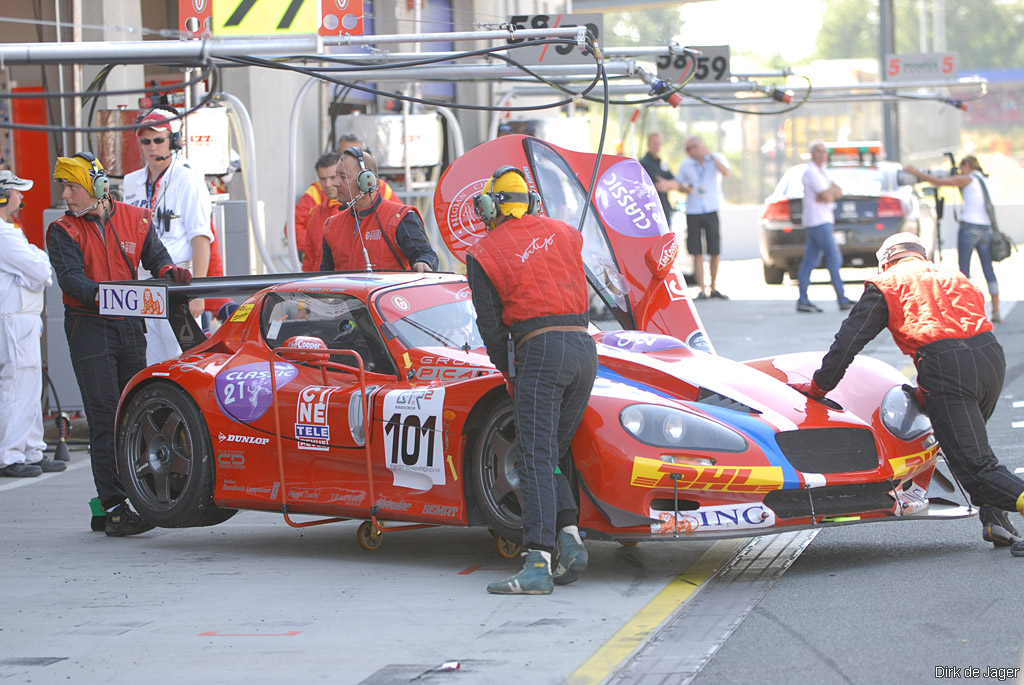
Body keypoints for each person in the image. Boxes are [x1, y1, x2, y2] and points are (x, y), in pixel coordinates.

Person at [792, 232, 1024, 557]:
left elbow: (848, 342)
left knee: (974, 466)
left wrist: (819, 387)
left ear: (885, 261)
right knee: (972, 449)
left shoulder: (886, 282)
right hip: (990, 359)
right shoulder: (952, 275)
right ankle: (994, 521)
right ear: (921, 254)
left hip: (945, 365)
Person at [466, 166, 598, 594]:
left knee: (532, 458)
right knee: (552, 452)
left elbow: (491, 329)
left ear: (490, 207)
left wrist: (509, 372)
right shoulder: (566, 234)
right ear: (531, 202)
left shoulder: (483, 253)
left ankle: (537, 562)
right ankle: (570, 538)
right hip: (584, 350)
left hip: (540, 351)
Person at [48, 153, 191, 536]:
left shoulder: (137, 218)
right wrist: (113, 297)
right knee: (104, 417)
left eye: (71, 186)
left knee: (135, 415)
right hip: (88, 327)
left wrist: (169, 272)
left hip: (129, 326)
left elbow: (157, 260)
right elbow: (72, 282)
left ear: (97, 188)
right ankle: (113, 507)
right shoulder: (62, 230)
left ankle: (125, 497)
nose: (65, 194)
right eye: (62, 186)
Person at [122, 108, 213, 363]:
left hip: (177, 283)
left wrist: (197, 291)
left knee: (181, 359)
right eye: (146, 141)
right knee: (149, 359)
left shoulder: (189, 180)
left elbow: (201, 239)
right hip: (142, 284)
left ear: (173, 141)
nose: (152, 147)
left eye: (159, 140)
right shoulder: (131, 182)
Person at [0, 171, 64, 478]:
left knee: (30, 385)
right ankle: (10, 455)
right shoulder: (3, 236)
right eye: (16, 192)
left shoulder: (9, 232)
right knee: (16, 385)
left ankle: (30, 450)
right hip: (13, 319)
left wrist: (37, 263)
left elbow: (40, 267)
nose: (21, 198)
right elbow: (40, 271)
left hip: (23, 318)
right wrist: (37, 263)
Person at [904, 156, 1002, 322]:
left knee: (964, 271)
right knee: (988, 270)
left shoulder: (967, 178)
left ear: (967, 165)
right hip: (987, 229)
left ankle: (967, 310)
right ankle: (996, 309)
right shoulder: (985, 180)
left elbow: (939, 181)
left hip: (969, 227)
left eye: (961, 167)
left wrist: (916, 172)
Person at [320, 148, 437, 272]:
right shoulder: (331, 225)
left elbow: (425, 254)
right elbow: (324, 277)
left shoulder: (400, 217)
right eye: (336, 175)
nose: (335, 183)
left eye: (343, 177)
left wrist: (423, 262)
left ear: (366, 181)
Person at [292, 134, 400, 255]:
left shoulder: (379, 187)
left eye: (358, 154)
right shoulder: (318, 190)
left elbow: (400, 221)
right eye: (347, 154)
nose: (331, 184)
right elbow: (294, 226)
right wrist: (316, 248)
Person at [797, 141, 854, 313]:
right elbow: (828, 196)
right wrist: (830, 193)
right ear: (812, 154)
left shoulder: (823, 172)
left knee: (810, 260)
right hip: (818, 221)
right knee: (834, 258)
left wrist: (831, 192)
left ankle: (803, 300)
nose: (822, 155)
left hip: (823, 219)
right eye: (818, 151)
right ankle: (841, 298)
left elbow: (837, 192)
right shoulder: (811, 173)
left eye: (824, 151)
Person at [676, 136, 731, 300]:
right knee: (696, 251)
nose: (690, 151)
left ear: (700, 145)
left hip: (711, 208)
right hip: (693, 210)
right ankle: (702, 289)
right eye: (687, 149)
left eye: (693, 147)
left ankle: (713, 288)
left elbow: (726, 172)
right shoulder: (685, 164)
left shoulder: (715, 158)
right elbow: (679, 184)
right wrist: (686, 188)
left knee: (714, 250)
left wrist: (711, 156)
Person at [301, 152, 341, 272]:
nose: (328, 184)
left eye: (332, 178)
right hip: (318, 284)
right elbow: (309, 258)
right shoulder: (314, 213)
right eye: (323, 179)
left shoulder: (357, 211)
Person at [638, 133, 676, 224]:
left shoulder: (661, 163)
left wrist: (668, 184)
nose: (657, 146)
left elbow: (673, 180)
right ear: (648, 144)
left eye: (659, 144)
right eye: (655, 143)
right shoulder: (644, 163)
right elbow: (657, 184)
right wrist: (668, 184)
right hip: (651, 211)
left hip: (664, 208)